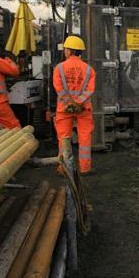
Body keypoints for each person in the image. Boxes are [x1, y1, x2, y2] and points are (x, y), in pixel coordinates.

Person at [53, 35, 96, 175]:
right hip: (83, 109)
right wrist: (78, 102)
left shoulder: (59, 68)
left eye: (66, 49)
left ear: (70, 51)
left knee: (63, 138)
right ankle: (85, 168)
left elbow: (58, 88)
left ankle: (63, 168)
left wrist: (69, 102)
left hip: (64, 109)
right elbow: (90, 89)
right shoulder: (89, 69)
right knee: (85, 137)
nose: (64, 51)